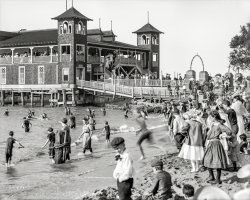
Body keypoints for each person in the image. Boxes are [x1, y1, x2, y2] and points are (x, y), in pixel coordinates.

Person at [203, 110, 232, 184]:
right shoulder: (212, 124)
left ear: (214, 116)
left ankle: (218, 179)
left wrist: (222, 135)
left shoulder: (219, 125)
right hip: (210, 143)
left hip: (216, 144)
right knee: (207, 159)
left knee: (217, 161)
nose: (210, 118)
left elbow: (229, 131)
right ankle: (212, 176)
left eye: (210, 116)